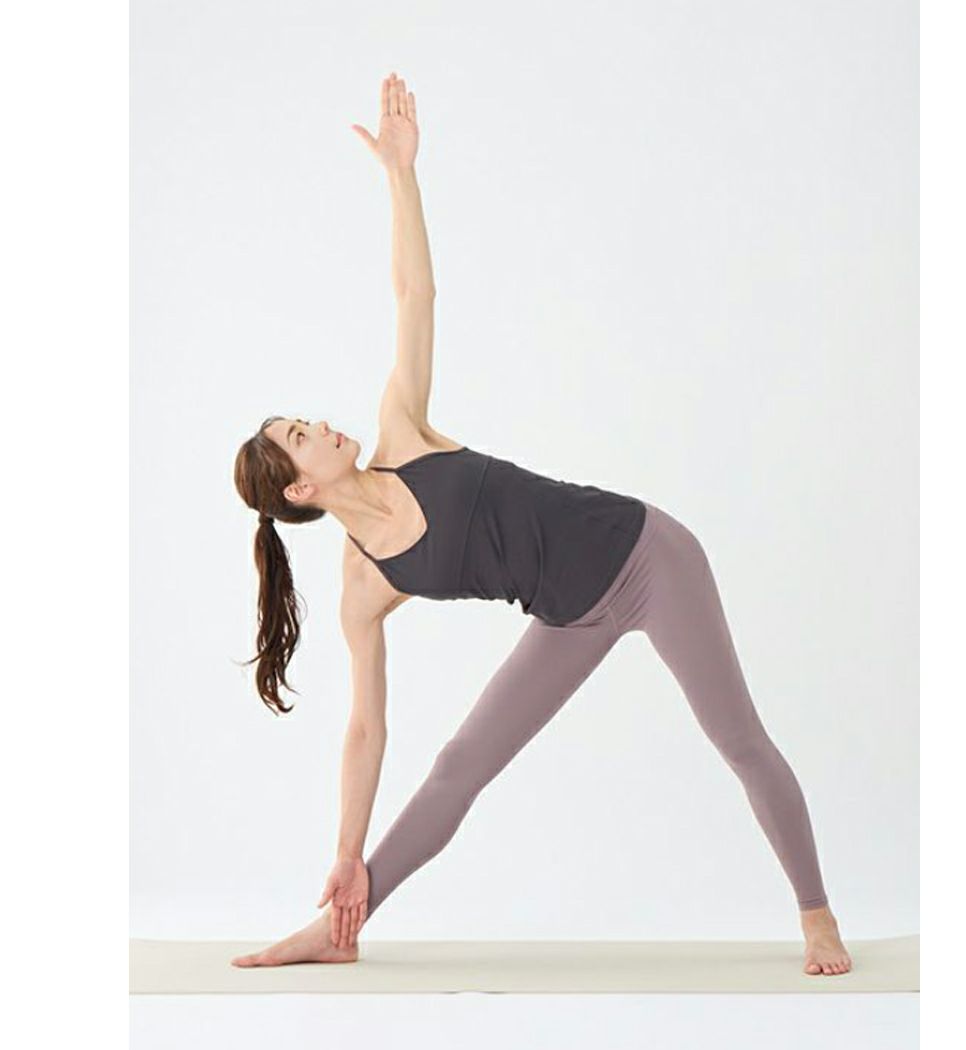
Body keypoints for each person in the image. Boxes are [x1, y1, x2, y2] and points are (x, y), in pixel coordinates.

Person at [230, 73, 851, 976]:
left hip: (648, 557)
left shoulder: (403, 434)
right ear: (298, 491)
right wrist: (345, 850)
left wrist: (401, 175)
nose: (319, 425)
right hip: (568, 615)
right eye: (301, 436)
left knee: (739, 741)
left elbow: (415, 294)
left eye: (304, 419)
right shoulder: (365, 583)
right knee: (459, 766)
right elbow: (365, 730)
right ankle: (340, 927)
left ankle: (817, 915)